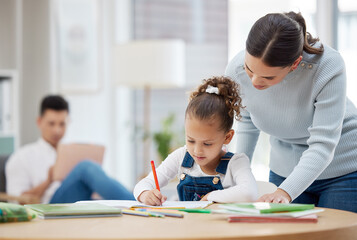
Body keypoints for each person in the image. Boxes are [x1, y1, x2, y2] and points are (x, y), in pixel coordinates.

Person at [225, 11, 357, 212]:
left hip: (342, 170)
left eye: (268, 78)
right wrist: (237, 177)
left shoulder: (328, 66)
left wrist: (285, 192)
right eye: (249, 69)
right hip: (284, 169)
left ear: (295, 64)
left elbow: (323, 144)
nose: (255, 81)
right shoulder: (235, 69)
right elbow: (248, 121)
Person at [134, 76, 258, 205]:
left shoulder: (236, 163)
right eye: (191, 141)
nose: (197, 151)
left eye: (207, 143)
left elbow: (250, 193)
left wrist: (211, 196)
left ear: (227, 137)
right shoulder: (181, 157)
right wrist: (144, 194)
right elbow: (143, 184)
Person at [6, 95, 135, 204]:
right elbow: (18, 202)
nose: (57, 130)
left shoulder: (70, 152)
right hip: (50, 206)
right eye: (51, 124)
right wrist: (48, 180)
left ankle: (136, 204)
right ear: (39, 122)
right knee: (85, 166)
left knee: (106, 204)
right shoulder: (21, 157)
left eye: (62, 124)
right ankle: (137, 203)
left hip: (78, 201)